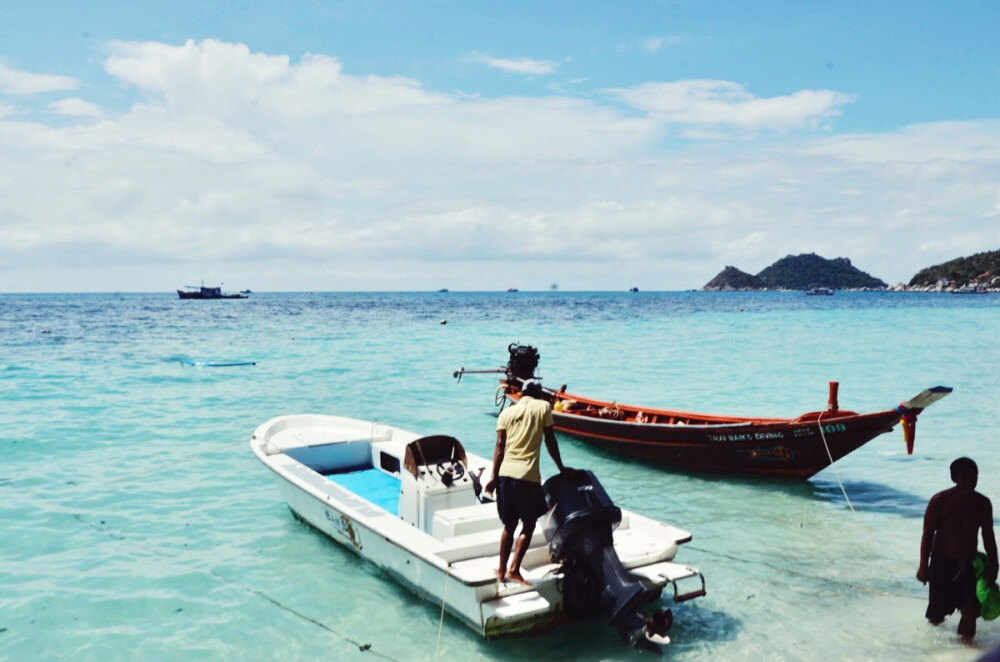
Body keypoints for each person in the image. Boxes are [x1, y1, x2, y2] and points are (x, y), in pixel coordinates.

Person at [485, 379, 569, 587]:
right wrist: (562, 469)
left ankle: (501, 571)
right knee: (529, 524)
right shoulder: (543, 407)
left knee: (509, 525)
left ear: (522, 394)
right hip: (527, 476)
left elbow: (499, 447)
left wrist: (493, 478)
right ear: (538, 394)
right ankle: (514, 570)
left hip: (505, 474)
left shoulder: (506, 413)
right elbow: (550, 441)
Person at [917, 457, 998, 642]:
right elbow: (927, 534)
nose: (971, 481)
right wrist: (923, 566)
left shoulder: (982, 504)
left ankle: (966, 652)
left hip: (968, 563)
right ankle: (930, 649)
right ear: (954, 478)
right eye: (966, 477)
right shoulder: (940, 501)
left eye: (975, 476)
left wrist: (994, 565)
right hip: (941, 562)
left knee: (969, 612)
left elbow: (988, 536)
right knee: (937, 615)